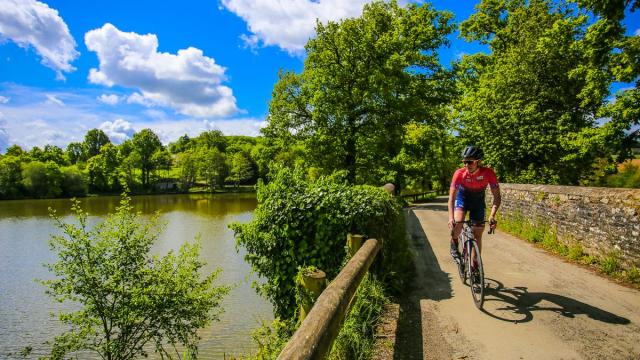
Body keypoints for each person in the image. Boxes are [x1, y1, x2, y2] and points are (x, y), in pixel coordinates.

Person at [448, 145, 501, 270]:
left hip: (478, 202)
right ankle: (454, 242)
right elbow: (451, 199)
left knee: (477, 235)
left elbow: (497, 197)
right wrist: (451, 218)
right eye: (464, 162)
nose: (466, 165)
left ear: (478, 161)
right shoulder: (459, 174)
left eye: (470, 162)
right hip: (462, 199)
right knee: (458, 224)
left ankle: (475, 265)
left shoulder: (488, 173)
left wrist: (492, 215)